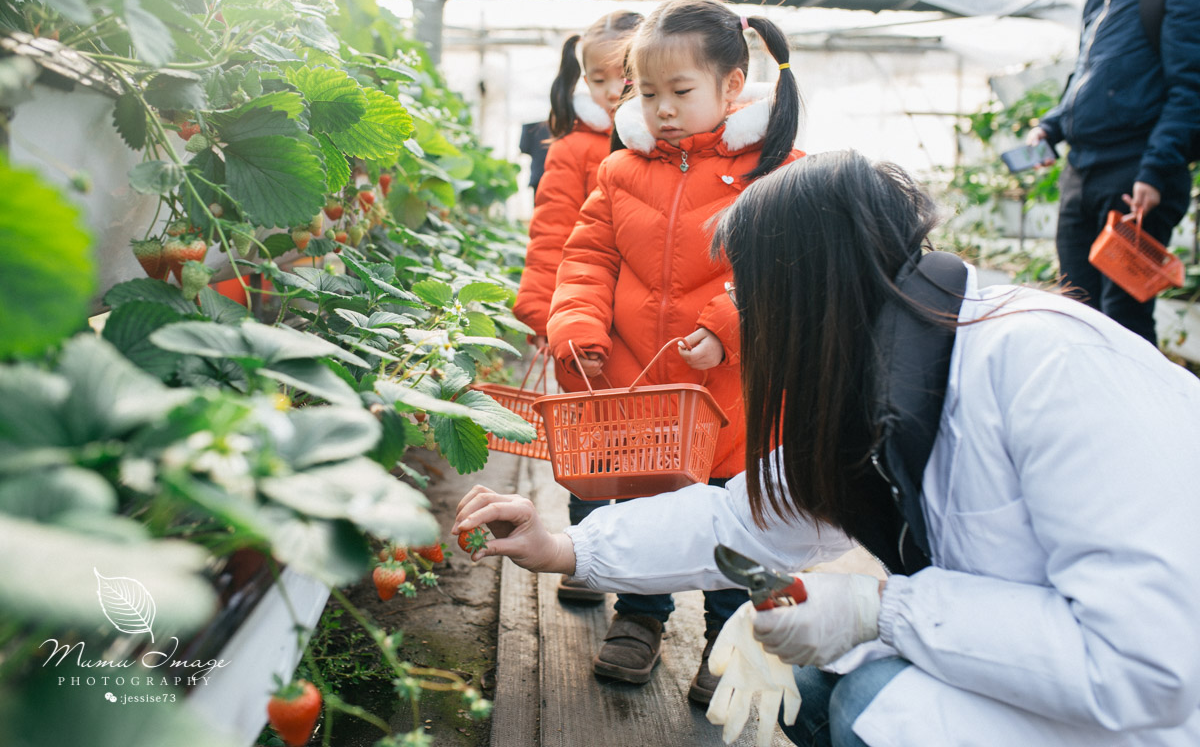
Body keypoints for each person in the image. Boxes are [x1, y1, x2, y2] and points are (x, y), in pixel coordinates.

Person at [455, 151, 1200, 746]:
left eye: (753, 299)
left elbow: (1150, 664)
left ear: (813, 289)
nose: (751, 325)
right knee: (807, 695)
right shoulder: (891, 375)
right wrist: (565, 545)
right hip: (1072, 677)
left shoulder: (1045, 365)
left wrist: (884, 609)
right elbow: (739, 522)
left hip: (1157, 704)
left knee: (871, 701)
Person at [543, 0, 804, 705]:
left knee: (734, 516)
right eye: (647, 91)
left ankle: (727, 636)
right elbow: (587, 257)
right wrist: (577, 326)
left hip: (737, 394)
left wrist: (727, 326)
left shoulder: (779, 171)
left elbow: (793, 269)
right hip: (647, 387)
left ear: (731, 86)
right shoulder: (622, 169)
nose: (660, 108)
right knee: (646, 503)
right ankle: (641, 619)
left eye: (679, 92)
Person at [512, 10, 642, 606]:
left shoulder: (662, 150)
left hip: (645, 336)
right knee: (589, 453)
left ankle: (638, 568)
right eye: (598, 79)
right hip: (580, 330)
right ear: (581, 82)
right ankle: (586, 558)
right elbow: (551, 236)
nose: (613, 91)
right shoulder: (573, 149)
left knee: (644, 452)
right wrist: (543, 312)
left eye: (625, 76)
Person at [1027, 0, 1200, 344]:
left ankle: (1140, 405)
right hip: (1082, 173)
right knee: (1075, 305)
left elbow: (1189, 89)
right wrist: (1051, 127)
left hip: (1135, 174)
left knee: (1124, 315)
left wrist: (1155, 170)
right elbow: (1085, 76)